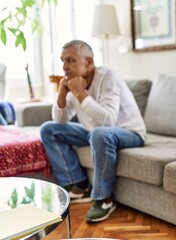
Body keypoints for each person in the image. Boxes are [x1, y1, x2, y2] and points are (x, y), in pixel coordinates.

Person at [40, 40, 146, 223]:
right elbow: (60, 120)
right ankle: (79, 185)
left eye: (70, 61)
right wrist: (62, 94)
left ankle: (104, 199)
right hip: (95, 133)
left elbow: (108, 120)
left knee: (99, 133)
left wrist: (81, 94)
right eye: (63, 61)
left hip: (129, 132)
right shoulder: (74, 82)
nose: (64, 67)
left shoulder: (107, 77)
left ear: (89, 62)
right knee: (49, 129)